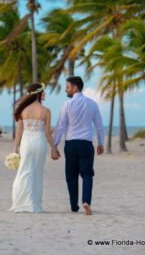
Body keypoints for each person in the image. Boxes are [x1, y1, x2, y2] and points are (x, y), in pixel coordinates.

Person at [53, 76, 104, 215]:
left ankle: (74, 206)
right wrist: (101, 143)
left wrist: (55, 145)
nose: (66, 90)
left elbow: (61, 125)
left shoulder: (67, 104)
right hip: (86, 144)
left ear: (75, 87)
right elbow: (99, 125)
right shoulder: (92, 104)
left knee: (71, 175)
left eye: (68, 87)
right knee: (87, 174)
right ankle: (86, 201)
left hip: (71, 144)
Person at [10, 83, 60, 213]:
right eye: (43, 92)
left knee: (23, 172)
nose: (45, 94)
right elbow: (48, 133)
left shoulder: (23, 110)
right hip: (39, 143)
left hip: (26, 144)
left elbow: (19, 132)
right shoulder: (46, 111)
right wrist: (54, 148)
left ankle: (20, 203)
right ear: (38, 93)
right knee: (37, 173)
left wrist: (15, 148)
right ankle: (34, 204)